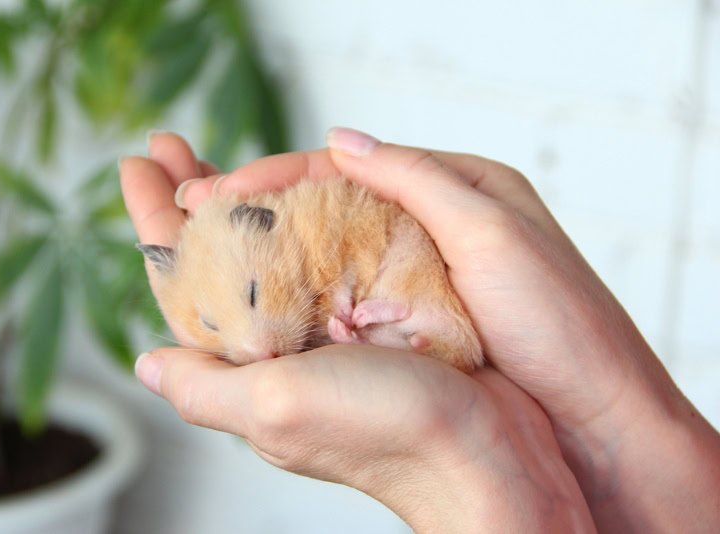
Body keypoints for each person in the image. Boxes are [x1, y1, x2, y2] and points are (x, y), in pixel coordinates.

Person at [120, 127, 720, 533]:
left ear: (263, 221)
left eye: (253, 296)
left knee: (399, 254)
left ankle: (415, 326)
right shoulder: (238, 277)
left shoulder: (313, 217)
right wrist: (621, 423)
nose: (256, 349)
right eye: (214, 327)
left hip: (404, 280)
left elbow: (362, 234)